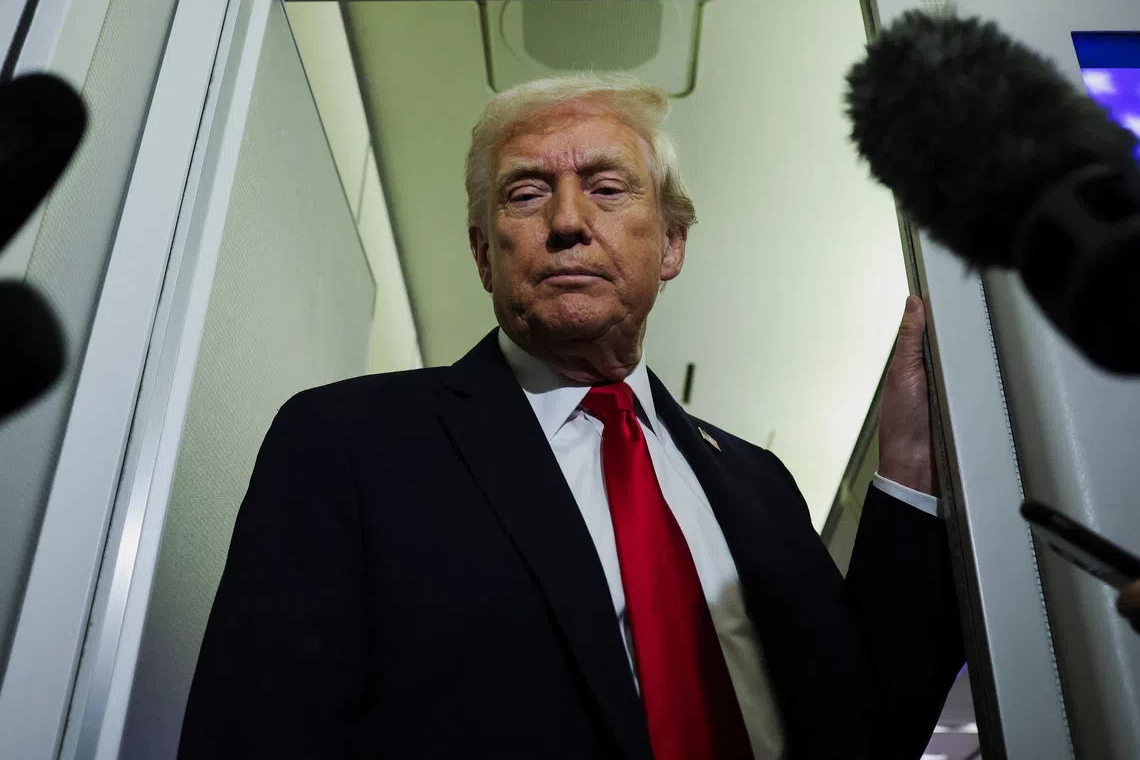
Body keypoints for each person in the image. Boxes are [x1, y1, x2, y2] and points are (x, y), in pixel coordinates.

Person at [178, 74, 964, 760]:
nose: (566, 220)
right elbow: (256, 733)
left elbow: (865, 724)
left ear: (672, 244)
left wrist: (911, 469)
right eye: (525, 192)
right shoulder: (346, 443)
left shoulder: (758, 483)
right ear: (485, 255)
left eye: (608, 186)